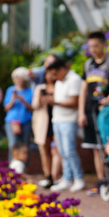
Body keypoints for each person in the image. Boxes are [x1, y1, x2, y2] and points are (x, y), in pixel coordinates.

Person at [78, 31, 109, 196]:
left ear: (104, 44)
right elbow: (83, 89)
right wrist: (81, 112)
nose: (93, 49)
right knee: (95, 147)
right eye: (90, 46)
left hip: (108, 112)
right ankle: (101, 180)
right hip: (91, 111)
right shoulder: (87, 65)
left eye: (96, 45)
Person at [43, 58, 85, 192]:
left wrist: (54, 101)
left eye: (55, 74)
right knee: (62, 151)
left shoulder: (74, 79)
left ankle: (78, 178)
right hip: (57, 120)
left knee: (69, 151)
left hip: (69, 120)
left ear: (62, 69)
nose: (54, 77)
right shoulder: (59, 82)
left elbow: (74, 102)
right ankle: (67, 179)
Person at [32, 56, 62, 188]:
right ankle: (48, 175)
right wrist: (40, 98)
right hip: (44, 124)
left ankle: (56, 176)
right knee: (45, 151)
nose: (50, 76)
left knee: (58, 150)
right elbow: (35, 106)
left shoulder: (60, 86)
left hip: (57, 121)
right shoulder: (40, 88)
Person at [3, 67, 34, 162]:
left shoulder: (30, 91)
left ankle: (24, 167)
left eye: (19, 78)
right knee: (13, 144)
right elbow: (6, 108)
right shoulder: (10, 90)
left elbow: (32, 108)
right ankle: (13, 167)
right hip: (12, 122)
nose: (17, 80)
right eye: (15, 78)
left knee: (25, 144)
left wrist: (22, 100)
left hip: (26, 121)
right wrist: (13, 99)